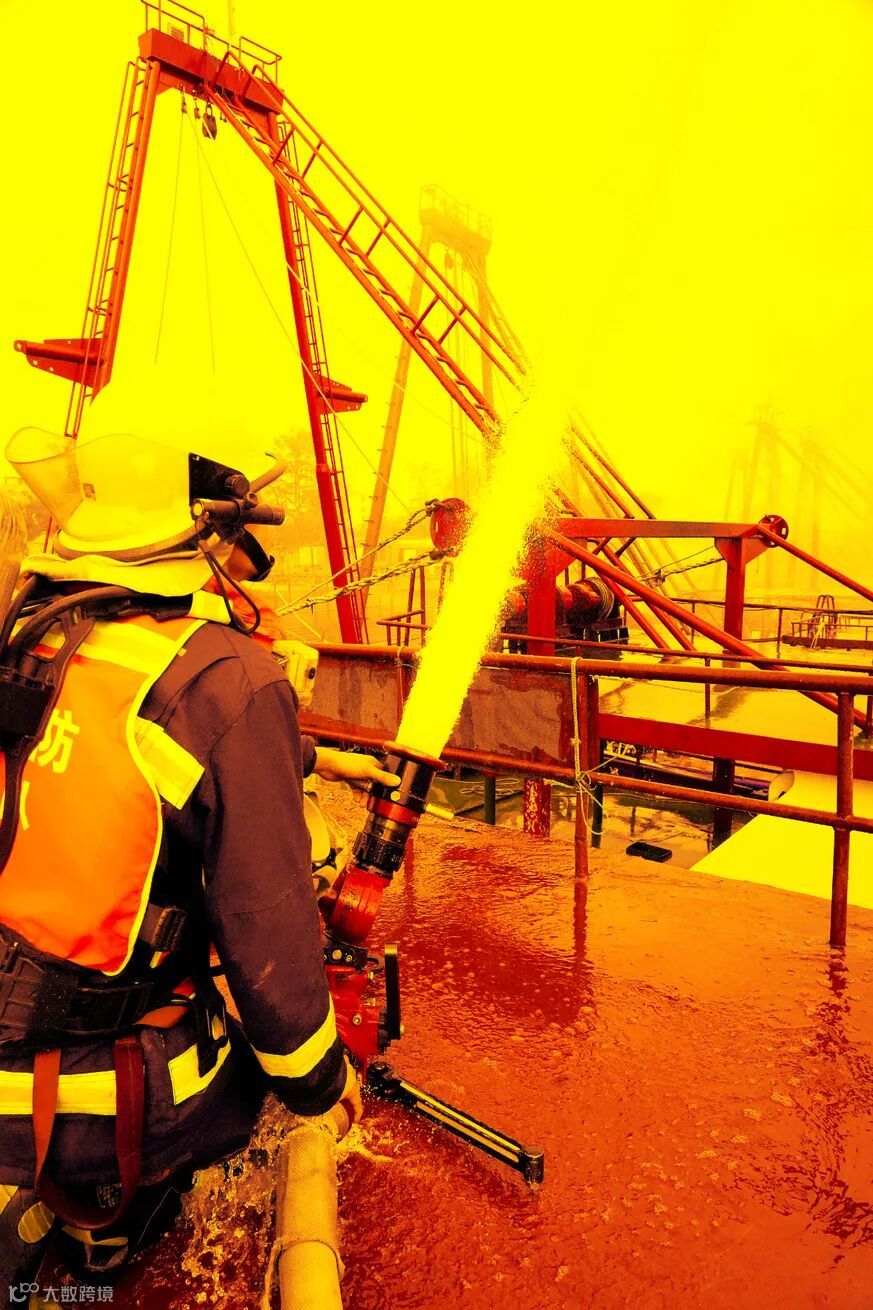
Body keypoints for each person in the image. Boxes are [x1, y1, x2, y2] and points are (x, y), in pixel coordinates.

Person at [0, 416, 397, 1284]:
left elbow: (122, 750)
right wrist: (321, 1083)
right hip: (95, 1093)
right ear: (207, 543)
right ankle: (112, 1233)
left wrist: (309, 752)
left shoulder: (37, 637)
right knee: (258, 1066)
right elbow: (266, 930)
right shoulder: (228, 676)